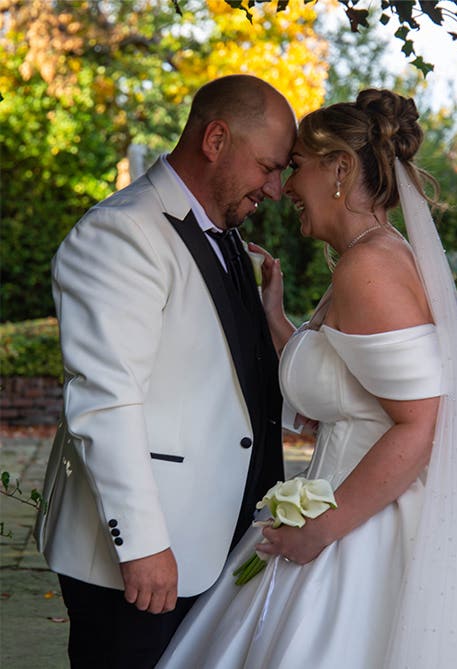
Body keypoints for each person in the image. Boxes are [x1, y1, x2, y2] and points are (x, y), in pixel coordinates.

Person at [157, 89, 457, 668]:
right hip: (348, 500)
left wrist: (321, 530)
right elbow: (353, 389)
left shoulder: (368, 268)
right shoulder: (366, 256)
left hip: (364, 524)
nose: (284, 187)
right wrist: (275, 317)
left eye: (296, 168)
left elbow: (420, 425)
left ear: (339, 169)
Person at [34, 74, 297, 668]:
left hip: (217, 537)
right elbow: (106, 401)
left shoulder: (226, 237)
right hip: (145, 556)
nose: (276, 189)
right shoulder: (120, 233)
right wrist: (145, 544)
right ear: (216, 140)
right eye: (268, 167)